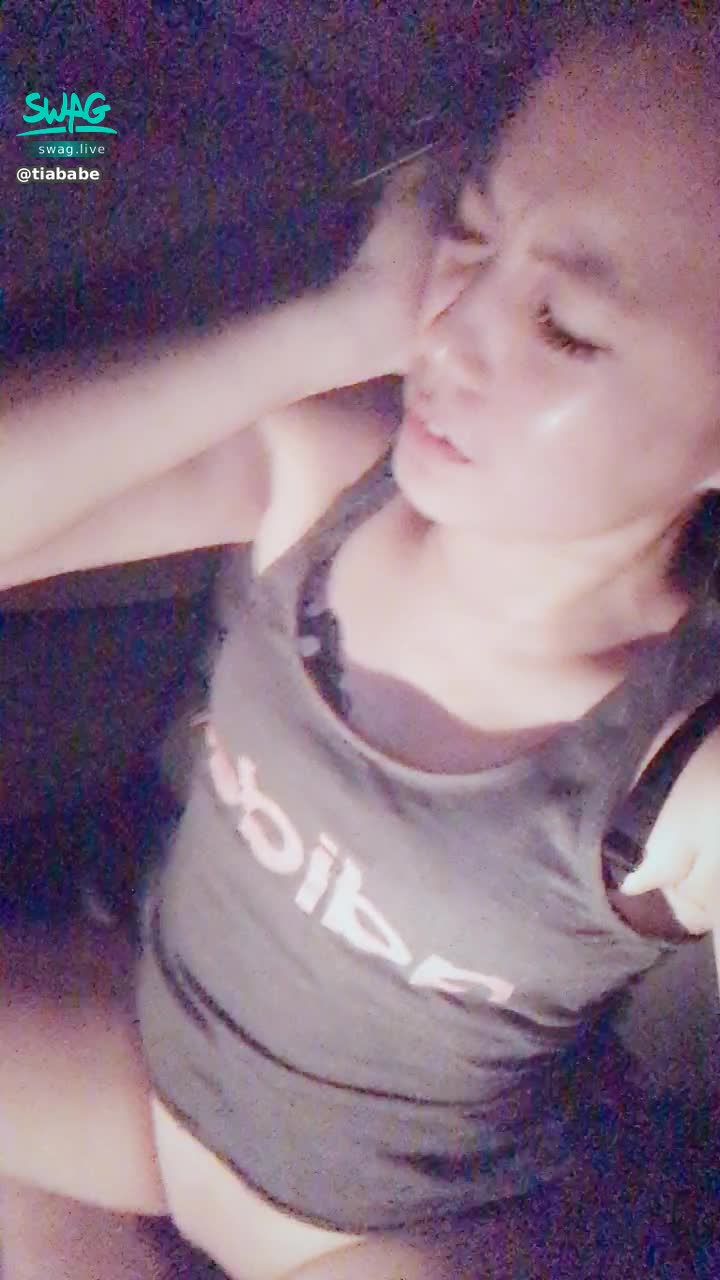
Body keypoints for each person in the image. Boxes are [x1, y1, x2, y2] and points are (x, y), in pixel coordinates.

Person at [2, 10, 720, 1279]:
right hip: (146, 1065)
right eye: (473, 234)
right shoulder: (329, 482)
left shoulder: (681, 767)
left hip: (375, 1231)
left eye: (564, 324)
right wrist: (331, 326)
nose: (450, 332)